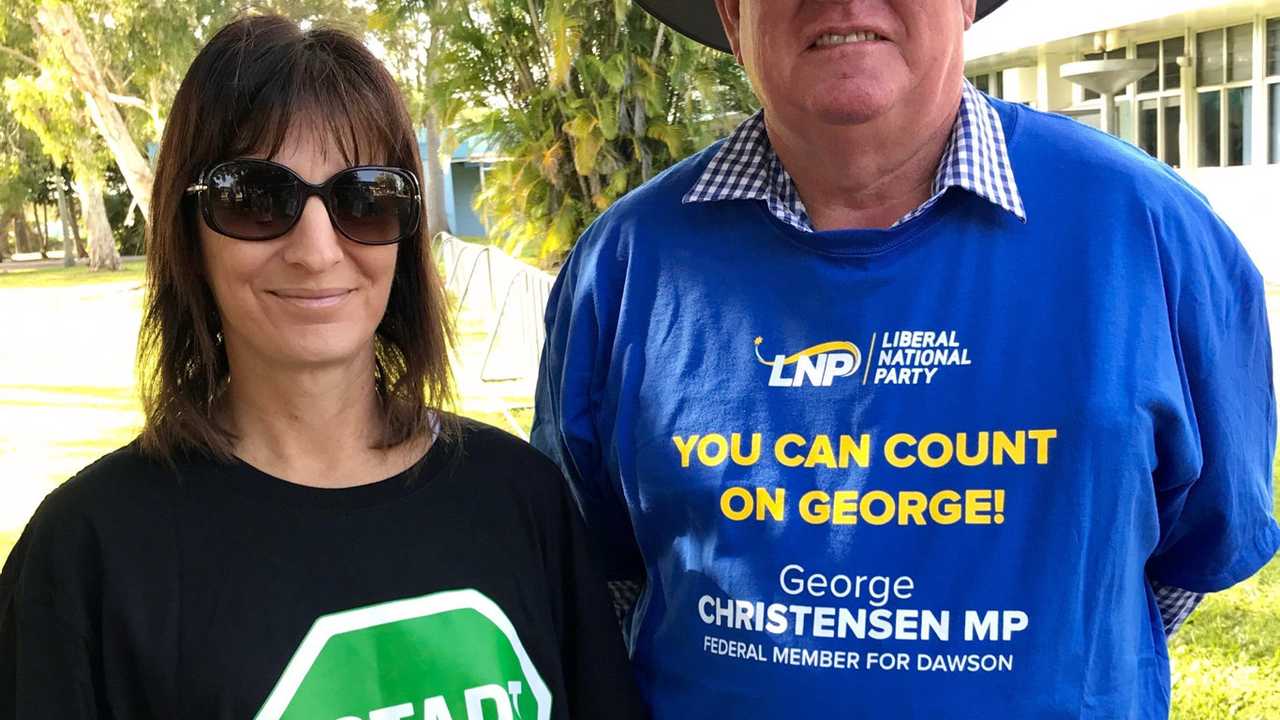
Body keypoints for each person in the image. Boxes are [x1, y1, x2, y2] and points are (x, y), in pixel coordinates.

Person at [532, 0, 1280, 717]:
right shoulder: (626, 265)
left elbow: (1198, 545)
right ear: (734, 15)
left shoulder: (1150, 234)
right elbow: (593, 570)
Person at [0, 15, 645, 719]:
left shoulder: (521, 499)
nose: (316, 250)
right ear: (189, 232)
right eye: (254, 198)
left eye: (363, 199)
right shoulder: (89, 554)